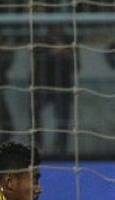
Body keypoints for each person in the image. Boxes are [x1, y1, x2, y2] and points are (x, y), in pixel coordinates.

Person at [32, 25, 79, 153]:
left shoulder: (70, 40)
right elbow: (35, 60)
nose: (58, 28)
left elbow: (76, 66)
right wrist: (50, 52)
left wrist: (66, 53)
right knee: (35, 114)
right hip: (43, 85)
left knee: (63, 118)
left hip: (63, 86)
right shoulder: (40, 40)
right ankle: (38, 145)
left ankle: (61, 148)